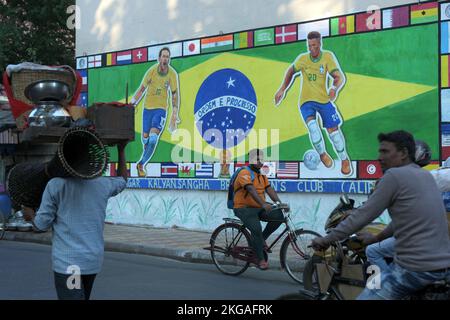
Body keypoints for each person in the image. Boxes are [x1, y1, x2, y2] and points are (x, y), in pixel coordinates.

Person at [311, 130, 450, 300]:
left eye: (385, 151)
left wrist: (326, 239)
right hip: (442, 266)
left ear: (404, 153)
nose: (379, 157)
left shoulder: (394, 176)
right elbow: (404, 220)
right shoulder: (425, 176)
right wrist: (376, 238)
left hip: (415, 268)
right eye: (379, 151)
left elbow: (363, 215)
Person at [22, 142, 129, 300]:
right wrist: (121, 150)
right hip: (92, 261)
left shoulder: (56, 185)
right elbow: (123, 180)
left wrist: (30, 216)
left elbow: (41, 224)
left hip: (70, 264)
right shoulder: (102, 184)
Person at [274, 31, 351, 175]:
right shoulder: (303, 59)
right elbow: (291, 70)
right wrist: (282, 89)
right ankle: (322, 154)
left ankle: (344, 159)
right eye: (309, 45)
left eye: (314, 45)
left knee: (334, 133)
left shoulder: (327, 56)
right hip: (306, 101)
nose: (311, 49)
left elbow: (338, 76)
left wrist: (334, 88)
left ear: (320, 44)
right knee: (313, 129)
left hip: (323, 100)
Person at [232, 149, 289, 270]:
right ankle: (260, 259)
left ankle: (261, 240)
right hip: (243, 208)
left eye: (261, 159)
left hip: (258, 207)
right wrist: (263, 204)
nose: (260, 162)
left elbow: (269, 189)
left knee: (278, 216)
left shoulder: (262, 174)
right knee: (256, 228)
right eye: (257, 159)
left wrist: (279, 203)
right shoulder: (244, 173)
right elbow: (251, 190)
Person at [131, 47, 181, 177]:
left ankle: (141, 164)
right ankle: (145, 147)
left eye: (167, 57)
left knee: (153, 139)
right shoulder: (151, 72)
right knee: (145, 139)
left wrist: (174, 113)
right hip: (147, 109)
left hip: (161, 110)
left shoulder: (172, 74)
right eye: (163, 56)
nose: (165, 59)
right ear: (159, 59)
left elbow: (175, 94)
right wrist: (132, 103)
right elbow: (141, 90)